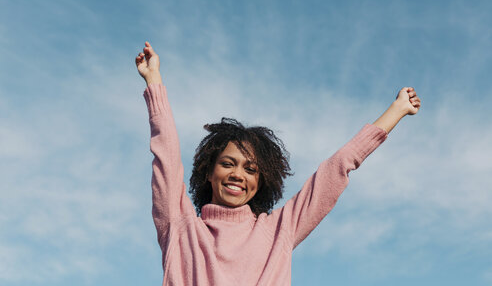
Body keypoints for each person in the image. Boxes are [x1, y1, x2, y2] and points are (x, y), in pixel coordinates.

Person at [135, 41, 421, 286]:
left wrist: (395, 112)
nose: (238, 175)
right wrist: (154, 82)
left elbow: (336, 169)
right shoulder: (180, 227)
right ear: (209, 172)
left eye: (250, 169)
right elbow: (166, 158)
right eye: (228, 164)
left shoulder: (277, 231)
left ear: (260, 183)